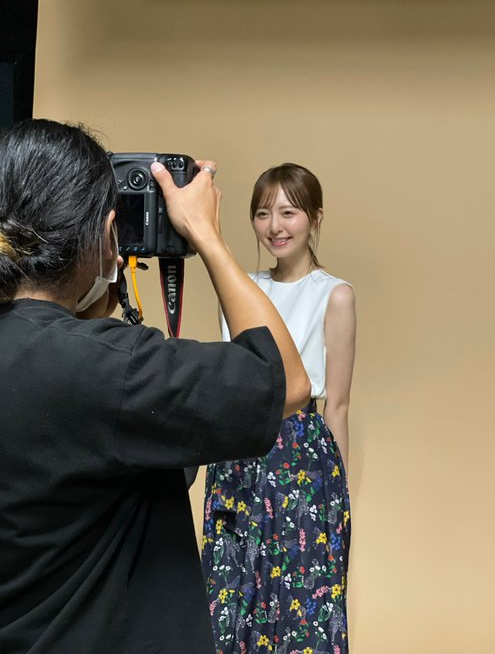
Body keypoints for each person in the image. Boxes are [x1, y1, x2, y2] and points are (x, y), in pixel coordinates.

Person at [0, 120, 310, 654]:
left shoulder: (76, 363)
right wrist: (205, 234)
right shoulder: (108, 370)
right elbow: (286, 380)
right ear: (106, 233)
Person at [202, 163, 356, 653]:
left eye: (289, 212)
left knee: (301, 602)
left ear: (315, 217)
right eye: (263, 213)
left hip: (300, 460)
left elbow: (337, 405)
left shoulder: (334, 295)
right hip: (238, 453)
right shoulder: (241, 289)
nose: (275, 226)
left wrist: (338, 501)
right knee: (231, 593)